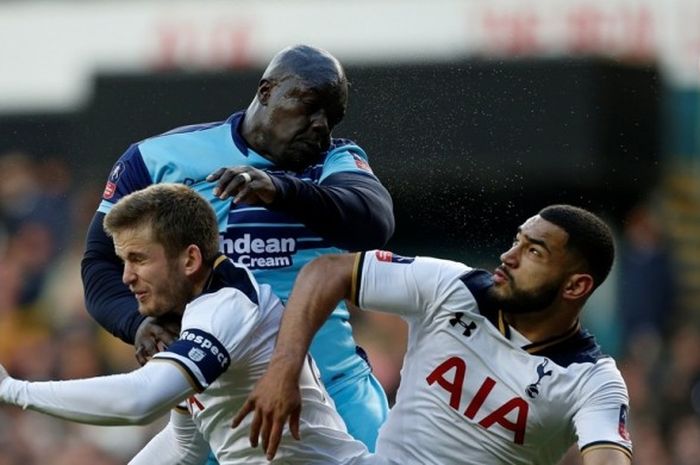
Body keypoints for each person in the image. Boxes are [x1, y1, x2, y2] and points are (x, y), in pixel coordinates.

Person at [80, 44, 394, 453]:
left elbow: (375, 221)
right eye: (310, 107)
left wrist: (282, 190)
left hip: (335, 390)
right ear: (266, 92)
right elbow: (100, 262)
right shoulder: (157, 159)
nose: (320, 126)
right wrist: (135, 323)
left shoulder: (333, 160)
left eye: (331, 117)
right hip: (221, 402)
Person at [0, 183, 377, 465]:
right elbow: (185, 445)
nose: (127, 277)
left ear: (190, 259)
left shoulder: (225, 307)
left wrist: (14, 390)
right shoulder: (192, 311)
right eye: (123, 262)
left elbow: (140, 400)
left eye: (138, 259)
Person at [233, 204, 634, 465]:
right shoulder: (453, 287)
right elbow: (326, 272)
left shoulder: (592, 379)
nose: (508, 256)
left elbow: (608, 457)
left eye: (534, 252)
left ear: (575, 287)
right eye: (517, 241)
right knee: (237, 337)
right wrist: (282, 370)